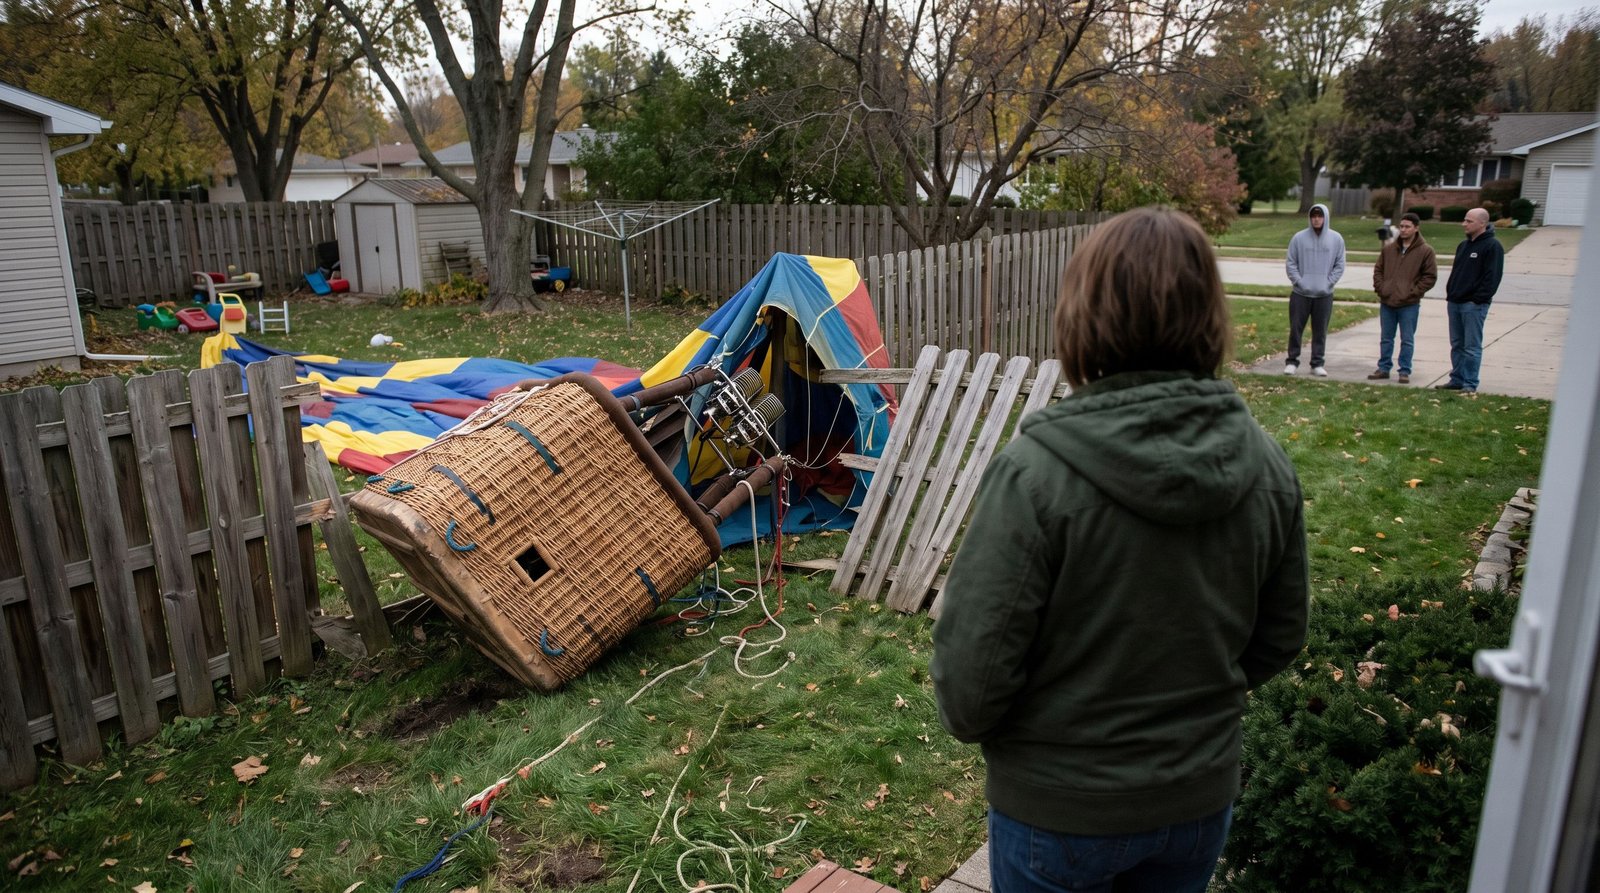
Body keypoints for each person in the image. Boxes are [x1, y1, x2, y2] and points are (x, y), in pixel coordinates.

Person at [930, 208, 1309, 893]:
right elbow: (1278, 636)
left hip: (1057, 811)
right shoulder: (1267, 463)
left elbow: (971, 688)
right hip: (1196, 800)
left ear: (1085, 312)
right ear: (1210, 314)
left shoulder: (1033, 474)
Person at [1438, 207, 1504, 395]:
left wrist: (1478, 299)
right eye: (1464, 220)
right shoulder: (1463, 245)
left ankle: (1470, 383)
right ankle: (1456, 379)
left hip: (1473, 305)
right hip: (1455, 302)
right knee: (1457, 344)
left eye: (1469, 221)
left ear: (1482, 223)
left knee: (1471, 346)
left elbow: (1492, 277)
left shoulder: (1492, 246)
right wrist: (1451, 292)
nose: (1464, 224)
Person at [1367, 212, 1437, 385]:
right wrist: (1382, 288)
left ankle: (1404, 370)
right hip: (1388, 301)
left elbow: (1430, 277)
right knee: (1386, 337)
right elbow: (1378, 270)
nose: (1403, 230)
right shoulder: (1389, 249)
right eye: (1402, 226)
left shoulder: (1425, 251)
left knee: (1407, 339)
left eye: (1407, 227)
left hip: (1409, 304)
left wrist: (1413, 292)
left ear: (1416, 228)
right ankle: (1383, 368)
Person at [1283, 203, 1346, 376]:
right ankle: (1292, 361)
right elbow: (1291, 263)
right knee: (1296, 328)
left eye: (1320, 216)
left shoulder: (1336, 239)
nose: (1316, 219)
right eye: (1313, 216)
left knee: (1320, 330)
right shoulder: (1298, 238)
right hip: (1300, 294)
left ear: (1325, 217)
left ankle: (1317, 363)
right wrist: (1299, 282)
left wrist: (1329, 283)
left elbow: (1340, 265)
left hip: (1324, 294)